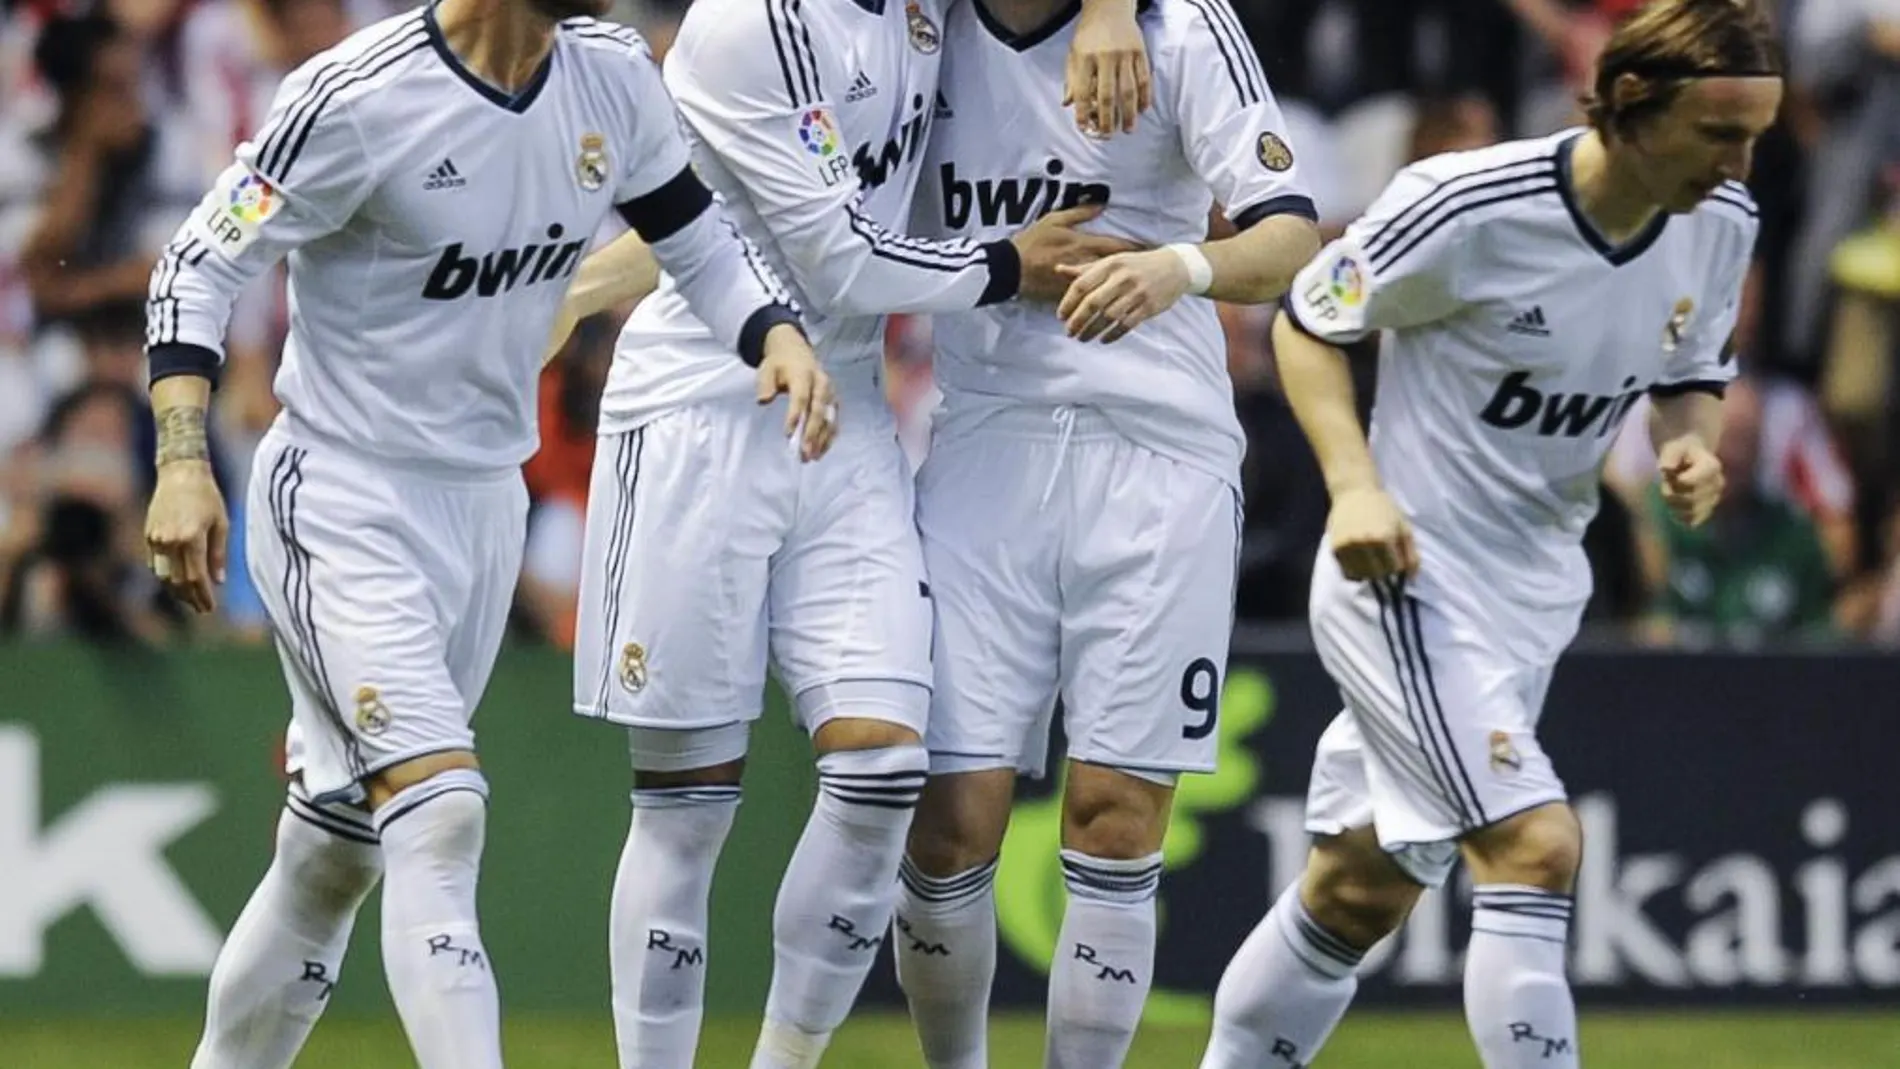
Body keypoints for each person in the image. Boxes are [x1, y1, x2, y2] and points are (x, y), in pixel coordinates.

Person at [138, 0, 824, 1063]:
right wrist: (183, 460)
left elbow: (691, 231)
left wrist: (771, 330)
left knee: (338, 851)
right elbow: (198, 262)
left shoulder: (609, 78)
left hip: (481, 503)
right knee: (442, 810)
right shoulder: (356, 98)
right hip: (341, 497)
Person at [552, 0, 1147, 1061]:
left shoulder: (926, 12)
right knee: (686, 808)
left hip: (847, 414)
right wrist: (1011, 264)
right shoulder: (751, 25)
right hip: (700, 411)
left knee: (881, 774)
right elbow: (836, 260)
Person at [1198, 3, 1782, 1068]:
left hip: (1535, 589)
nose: (1739, 162)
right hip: (1406, 569)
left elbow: (1689, 372)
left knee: (1360, 885)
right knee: (1534, 844)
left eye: (1753, 136)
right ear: (1635, 108)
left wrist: (1688, 444)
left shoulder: (1721, 220)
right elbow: (1307, 324)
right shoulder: (1467, 201)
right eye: (1718, 135)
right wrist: (1355, 491)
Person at [883, 0, 1320, 1065]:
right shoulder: (914, 35)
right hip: (986, 446)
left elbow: (1291, 232)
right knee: (946, 822)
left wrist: (1184, 267)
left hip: (1161, 459)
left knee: (1116, 817)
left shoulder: (1181, 30)